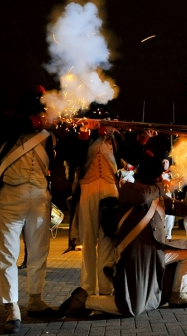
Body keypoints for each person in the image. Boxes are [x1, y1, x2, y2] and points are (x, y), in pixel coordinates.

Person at [59, 151, 187, 317]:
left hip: (157, 251)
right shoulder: (130, 189)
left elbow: (183, 210)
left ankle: (177, 294)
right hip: (135, 256)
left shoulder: (157, 193)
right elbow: (141, 197)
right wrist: (167, 186)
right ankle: (85, 301)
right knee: (132, 308)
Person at [0, 85, 61, 334]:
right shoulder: (10, 125)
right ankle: (12, 306)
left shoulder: (49, 136)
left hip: (40, 197)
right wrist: (36, 120)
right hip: (10, 194)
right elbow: (0, 123)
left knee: (38, 254)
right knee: (7, 254)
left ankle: (36, 301)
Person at [60, 102, 154, 298]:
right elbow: (74, 157)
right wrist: (91, 131)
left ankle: (105, 290)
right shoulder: (81, 133)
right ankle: (87, 288)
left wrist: (142, 139)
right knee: (88, 241)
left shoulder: (115, 137)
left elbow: (133, 158)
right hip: (87, 188)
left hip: (111, 191)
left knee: (107, 241)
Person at [161, 152, 175, 240]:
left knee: (169, 224)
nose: (165, 163)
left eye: (166, 161)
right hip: (160, 201)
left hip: (170, 201)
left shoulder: (172, 175)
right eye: (163, 162)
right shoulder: (157, 175)